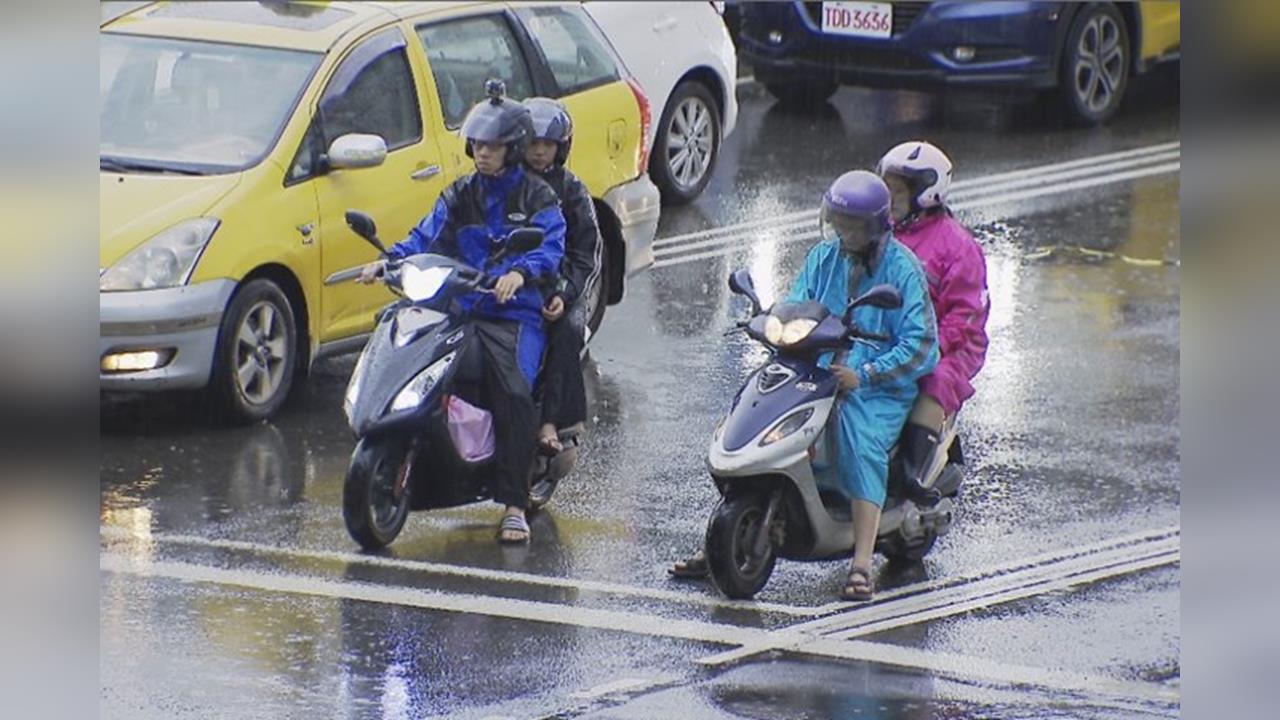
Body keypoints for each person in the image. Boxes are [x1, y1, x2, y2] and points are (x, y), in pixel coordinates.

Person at [673, 171, 938, 601]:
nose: (842, 231)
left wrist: (866, 373)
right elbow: (799, 303)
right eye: (838, 221)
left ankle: (863, 563)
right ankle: (719, 542)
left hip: (873, 383)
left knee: (857, 435)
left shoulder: (904, 270)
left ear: (874, 226)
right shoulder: (823, 256)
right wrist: (773, 323)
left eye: (852, 225)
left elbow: (922, 345)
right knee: (758, 415)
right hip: (816, 369)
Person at [358, 81, 566, 544]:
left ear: (512, 149)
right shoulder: (460, 194)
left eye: (492, 145)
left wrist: (521, 273)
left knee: (511, 389)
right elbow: (424, 238)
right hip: (458, 307)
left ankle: (513, 503)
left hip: (514, 316)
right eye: (477, 144)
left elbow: (550, 247)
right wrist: (388, 262)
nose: (482, 153)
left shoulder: (538, 198)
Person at [876, 141, 989, 505]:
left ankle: (911, 475)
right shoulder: (879, 231)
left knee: (934, 380)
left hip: (950, 344)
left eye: (898, 190)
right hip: (887, 333)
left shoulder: (957, 246)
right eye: (887, 186)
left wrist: (928, 345)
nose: (889, 196)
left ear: (925, 193)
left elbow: (966, 313)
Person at [521, 97, 602, 455]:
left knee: (566, 331)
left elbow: (586, 255)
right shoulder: (504, 185)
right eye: (533, 144)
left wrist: (564, 293)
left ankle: (551, 419)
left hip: (559, 286)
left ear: (561, 147)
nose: (539, 152)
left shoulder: (572, 191)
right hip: (514, 282)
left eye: (547, 145)